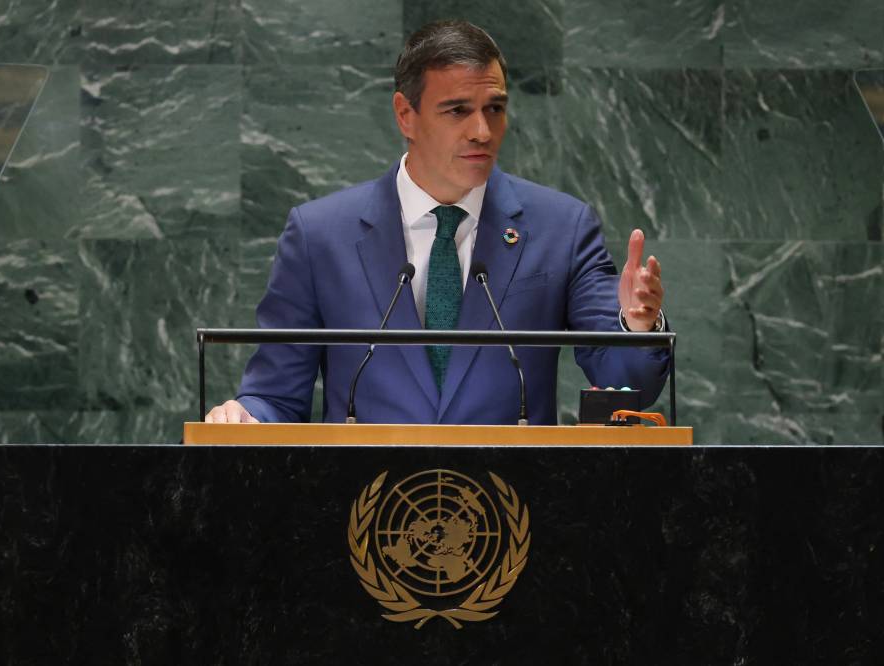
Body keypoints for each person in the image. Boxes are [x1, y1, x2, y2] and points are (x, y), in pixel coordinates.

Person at [206, 20, 668, 425]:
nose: (482, 132)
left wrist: (636, 324)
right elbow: (275, 395)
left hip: (514, 508)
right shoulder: (319, 235)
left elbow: (628, 391)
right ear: (406, 115)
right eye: (457, 110)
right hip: (365, 507)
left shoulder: (561, 228)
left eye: (494, 108)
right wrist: (242, 415)